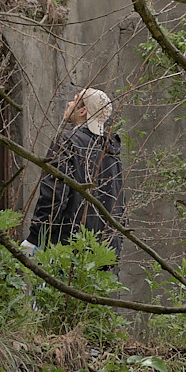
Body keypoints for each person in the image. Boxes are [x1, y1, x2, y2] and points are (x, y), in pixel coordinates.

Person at [29, 88, 124, 251]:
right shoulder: (111, 152)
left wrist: (36, 237)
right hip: (103, 254)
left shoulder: (67, 142)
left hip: (67, 250)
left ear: (83, 110)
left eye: (74, 100)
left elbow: (54, 196)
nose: (69, 103)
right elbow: (119, 206)